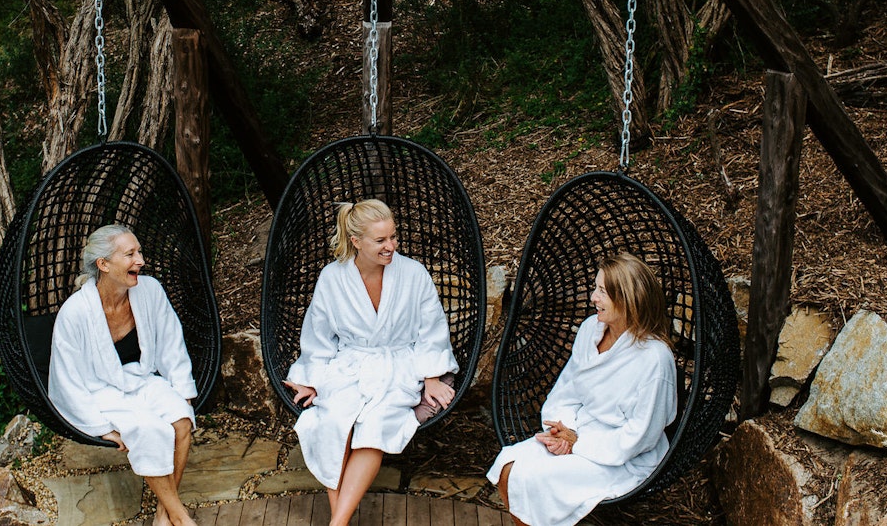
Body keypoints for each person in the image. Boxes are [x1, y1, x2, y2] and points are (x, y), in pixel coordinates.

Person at [283, 199, 458, 526]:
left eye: (393, 237)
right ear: (356, 241)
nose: (391, 246)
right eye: (381, 240)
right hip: (351, 365)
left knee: (375, 426)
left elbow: (432, 329)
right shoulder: (333, 278)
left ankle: (337, 523)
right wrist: (310, 376)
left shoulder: (413, 273)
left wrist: (432, 376)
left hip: (398, 366)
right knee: (334, 421)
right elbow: (318, 334)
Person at [487, 251, 677, 526]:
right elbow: (567, 391)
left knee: (533, 479)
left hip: (621, 457)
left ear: (626, 299)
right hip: (579, 431)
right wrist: (564, 432)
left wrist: (580, 444)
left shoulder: (654, 360)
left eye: (602, 291)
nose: (593, 298)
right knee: (508, 468)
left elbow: (640, 438)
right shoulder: (591, 330)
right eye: (595, 288)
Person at [48, 224, 198, 526]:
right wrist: (100, 425)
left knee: (182, 421)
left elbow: (171, 342)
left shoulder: (150, 290)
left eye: (139, 251)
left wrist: (183, 389)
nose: (140, 260)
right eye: (130, 254)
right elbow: (66, 379)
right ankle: (180, 517)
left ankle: (162, 512)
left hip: (142, 379)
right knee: (148, 429)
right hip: (99, 392)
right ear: (103, 264)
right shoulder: (75, 313)